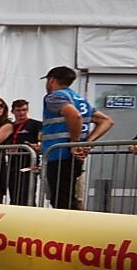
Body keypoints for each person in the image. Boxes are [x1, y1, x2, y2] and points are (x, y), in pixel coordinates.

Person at [40, 66, 113, 210]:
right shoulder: (80, 100)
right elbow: (107, 121)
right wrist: (86, 143)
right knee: (69, 198)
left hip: (59, 154)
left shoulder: (55, 97)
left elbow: (74, 115)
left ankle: (67, 230)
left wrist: (74, 144)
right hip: (73, 157)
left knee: (62, 200)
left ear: (52, 80)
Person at [6, 99, 42, 206]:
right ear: (13, 111)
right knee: (13, 193)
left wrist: (37, 146)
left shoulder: (36, 124)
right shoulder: (9, 127)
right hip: (12, 165)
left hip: (28, 164)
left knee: (27, 193)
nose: (22, 113)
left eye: (24, 110)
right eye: (18, 110)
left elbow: (41, 142)